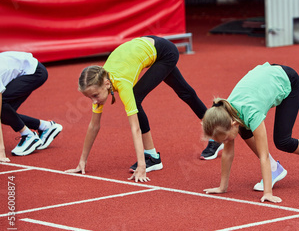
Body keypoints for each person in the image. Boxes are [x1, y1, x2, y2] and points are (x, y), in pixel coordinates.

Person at [66, 36, 221, 182]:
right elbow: (94, 125)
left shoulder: (121, 84)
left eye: (94, 96)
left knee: (138, 97)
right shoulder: (99, 82)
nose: (94, 101)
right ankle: (216, 132)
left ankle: (151, 157)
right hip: (149, 47)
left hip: (164, 52)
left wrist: (141, 165)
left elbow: (135, 128)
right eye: (90, 98)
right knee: (185, 92)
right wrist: (82, 162)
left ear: (107, 85)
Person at [202, 62, 299, 203]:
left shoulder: (252, 114)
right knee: (244, 130)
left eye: (225, 139)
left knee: (283, 141)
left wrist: (267, 193)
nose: (226, 142)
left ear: (232, 124)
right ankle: (274, 169)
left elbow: (264, 156)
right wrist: (222, 187)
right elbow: (227, 153)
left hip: (288, 80)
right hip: (268, 78)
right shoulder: (225, 113)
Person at [0, 51, 63, 158]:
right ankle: (46, 127)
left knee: (2, 108)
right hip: (25, 69)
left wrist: (1, 152)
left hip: (35, 72)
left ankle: (29, 136)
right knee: (6, 114)